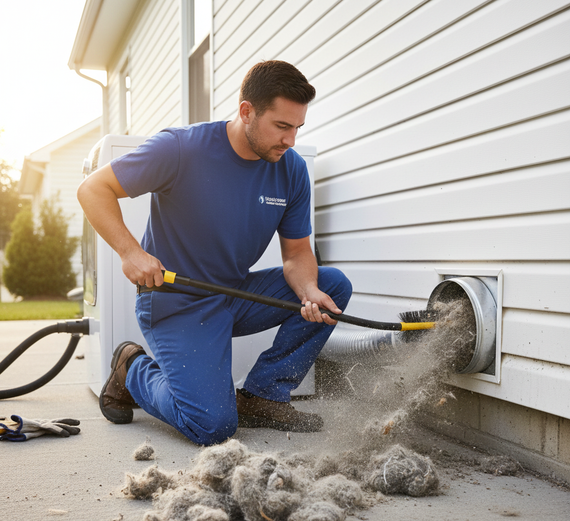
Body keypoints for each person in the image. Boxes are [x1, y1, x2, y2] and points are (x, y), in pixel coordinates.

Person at [77, 60, 352, 446]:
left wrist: (308, 289)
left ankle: (264, 394)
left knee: (332, 285)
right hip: (177, 302)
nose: (290, 140)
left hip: (235, 296)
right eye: (281, 126)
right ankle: (132, 368)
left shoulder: (290, 170)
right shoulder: (180, 148)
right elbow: (93, 189)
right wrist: (130, 252)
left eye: (297, 128)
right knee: (212, 427)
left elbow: (296, 254)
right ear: (246, 111)